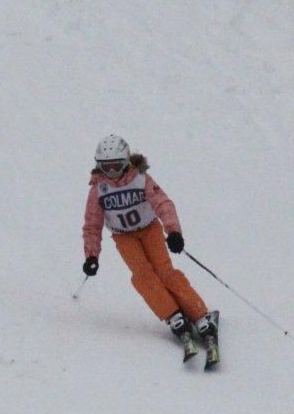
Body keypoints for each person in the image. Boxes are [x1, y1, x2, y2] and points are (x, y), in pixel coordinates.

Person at [81, 134, 217, 351]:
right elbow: (92, 224)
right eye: (107, 167)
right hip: (124, 237)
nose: (112, 173)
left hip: (150, 229)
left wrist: (173, 232)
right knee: (143, 276)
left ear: (126, 163)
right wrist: (91, 255)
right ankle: (172, 314)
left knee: (165, 272)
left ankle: (199, 314)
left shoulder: (140, 179)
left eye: (117, 166)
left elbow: (163, 203)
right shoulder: (99, 189)